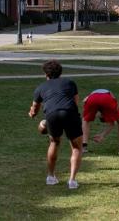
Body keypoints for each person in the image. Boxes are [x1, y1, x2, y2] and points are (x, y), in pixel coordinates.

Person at [28, 60, 83, 190]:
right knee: (76, 147)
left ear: (45, 74)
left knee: (54, 143)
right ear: (61, 72)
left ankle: (51, 177)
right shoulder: (70, 83)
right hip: (69, 112)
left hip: (51, 115)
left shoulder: (41, 87)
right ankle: (72, 181)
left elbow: (35, 108)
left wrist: (32, 114)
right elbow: (75, 101)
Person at [81, 89, 119, 155]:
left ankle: (83, 147)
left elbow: (85, 100)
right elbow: (112, 123)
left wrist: (102, 135)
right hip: (106, 98)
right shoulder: (109, 95)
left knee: (85, 120)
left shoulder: (91, 95)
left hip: (92, 98)